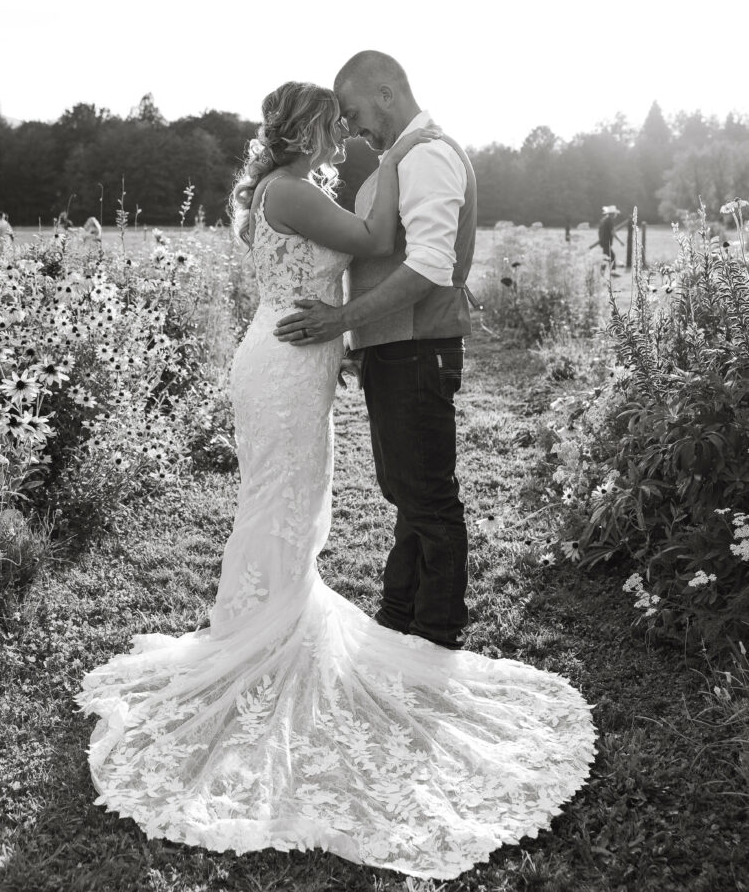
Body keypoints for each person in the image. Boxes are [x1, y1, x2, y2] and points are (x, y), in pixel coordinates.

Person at [76, 80, 595, 879]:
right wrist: (395, 159)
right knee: (281, 500)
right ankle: (261, 637)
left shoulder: (282, 190)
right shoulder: (294, 193)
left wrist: (393, 159)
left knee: (292, 501)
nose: (345, 132)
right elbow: (375, 233)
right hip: (284, 368)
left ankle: (268, 618)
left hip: (291, 362)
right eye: (335, 123)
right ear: (309, 129)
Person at [275, 51, 473, 650]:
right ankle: (398, 619)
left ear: (386, 93)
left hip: (418, 349)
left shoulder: (429, 155)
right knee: (405, 490)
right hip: (396, 349)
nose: (354, 129)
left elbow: (431, 267)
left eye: (358, 113)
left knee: (428, 499)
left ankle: (435, 636)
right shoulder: (401, 159)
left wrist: (339, 320)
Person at [597, 205, 620, 269]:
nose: (615, 215)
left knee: (605, 257)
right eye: (614, 213)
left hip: (602, 241)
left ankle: (602, 272)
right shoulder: (609, 221)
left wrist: (600, 239)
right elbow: (612, 232)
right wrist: (620, 241)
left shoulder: (603, 220)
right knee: (612, 257)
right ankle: (612, 272)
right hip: (606, 242)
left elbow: (599, 231)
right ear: (612, 214)